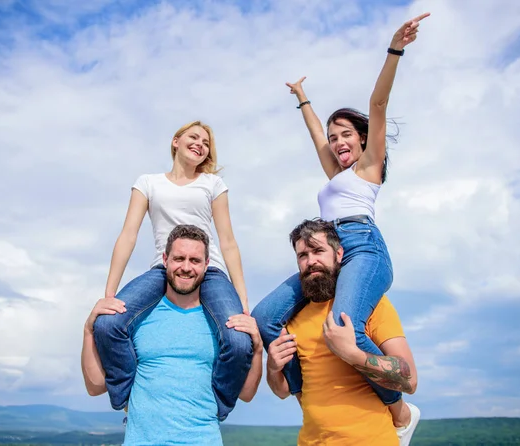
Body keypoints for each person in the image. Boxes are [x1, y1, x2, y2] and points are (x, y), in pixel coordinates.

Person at [252, 12, 429, 431]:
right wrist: (301, 97)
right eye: (334, 138)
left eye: (345, 134)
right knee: (264, 318)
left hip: (363, 247)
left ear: (363, 138)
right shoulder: (336, 175)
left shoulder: (370, 166)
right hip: (329, 249)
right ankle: (303, 395)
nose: (337, 142)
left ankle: (398, 409)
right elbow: (315, 136)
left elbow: (378, 104)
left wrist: (395, 49)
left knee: (341, 326)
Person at [93, 121, 253, 421]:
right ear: (176, 141)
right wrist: (109, 294)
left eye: (206, 142)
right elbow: (128, 234)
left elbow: (228, 241)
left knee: (239, 341)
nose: (200, 144)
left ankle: (216, 405)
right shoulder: (148, 183)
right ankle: (127, 397)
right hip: (163, 268)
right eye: (194, 137)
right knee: (106, 325)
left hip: (210, 270)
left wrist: (243, 299)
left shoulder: (213, 185)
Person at [82, 225, 263, 445]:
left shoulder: (224, 325)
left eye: (195, 260)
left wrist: (257, 350)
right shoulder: (135, 319)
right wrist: (89, 330)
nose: (186, 267)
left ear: (207, 265)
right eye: (179, 258)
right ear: (165, 259)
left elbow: (246, 394)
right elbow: (95, 386)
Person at [266, 219, 419, 445]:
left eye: (318, 251)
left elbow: (410, 381)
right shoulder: (292, 317)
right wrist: (272, 368)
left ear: (339, 254)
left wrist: (353, 354)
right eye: (303, 255)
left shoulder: (373, 306)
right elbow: (282, 391)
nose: (311, 261)